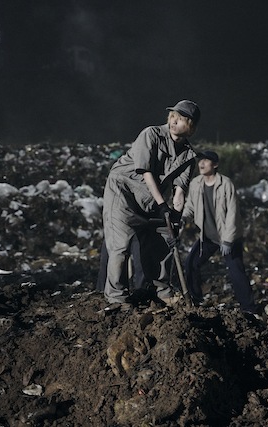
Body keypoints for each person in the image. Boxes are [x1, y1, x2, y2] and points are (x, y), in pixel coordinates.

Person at [102, 100, 200, 305]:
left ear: (190, 126)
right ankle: (116, 298)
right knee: (121, 245)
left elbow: (180, 191)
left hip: (150, 199)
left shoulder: (189, 156)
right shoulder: (151, 134)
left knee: (164, 239)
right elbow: (146, 173)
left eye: (181, 119)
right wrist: (163, 205)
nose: (174, 122)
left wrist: (175, 219)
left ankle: (161, 291)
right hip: (123, 190)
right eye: (173, 116)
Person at [182, 150, 256, 313]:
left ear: (215, 165)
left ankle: (249, 308)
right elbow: (190, 206)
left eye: (206, 161)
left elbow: (232, 213)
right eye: (201, 160)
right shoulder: (196, 183)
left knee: (236, 271)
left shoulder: (225, 184)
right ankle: (195, 300)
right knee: (191, 263)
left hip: (227, 237)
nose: (201, 163)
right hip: (207, 237)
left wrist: (228, 240)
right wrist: (183, 218)